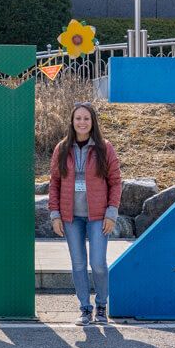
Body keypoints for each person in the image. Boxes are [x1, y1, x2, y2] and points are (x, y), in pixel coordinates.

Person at [48, 102, 122, 325]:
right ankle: (84, 308)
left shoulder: (104, 147)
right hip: (71, 217)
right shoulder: (62, 148)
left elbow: (116, 182)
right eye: (78, 118)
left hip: (98, 216)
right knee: (78, 264)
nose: (82, 122)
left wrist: (111, 213)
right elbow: (54, 183)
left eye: (86, 118)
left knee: (98, 263)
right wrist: (55, 214)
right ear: (72, 121)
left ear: (93, 122)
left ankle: (101, 305)